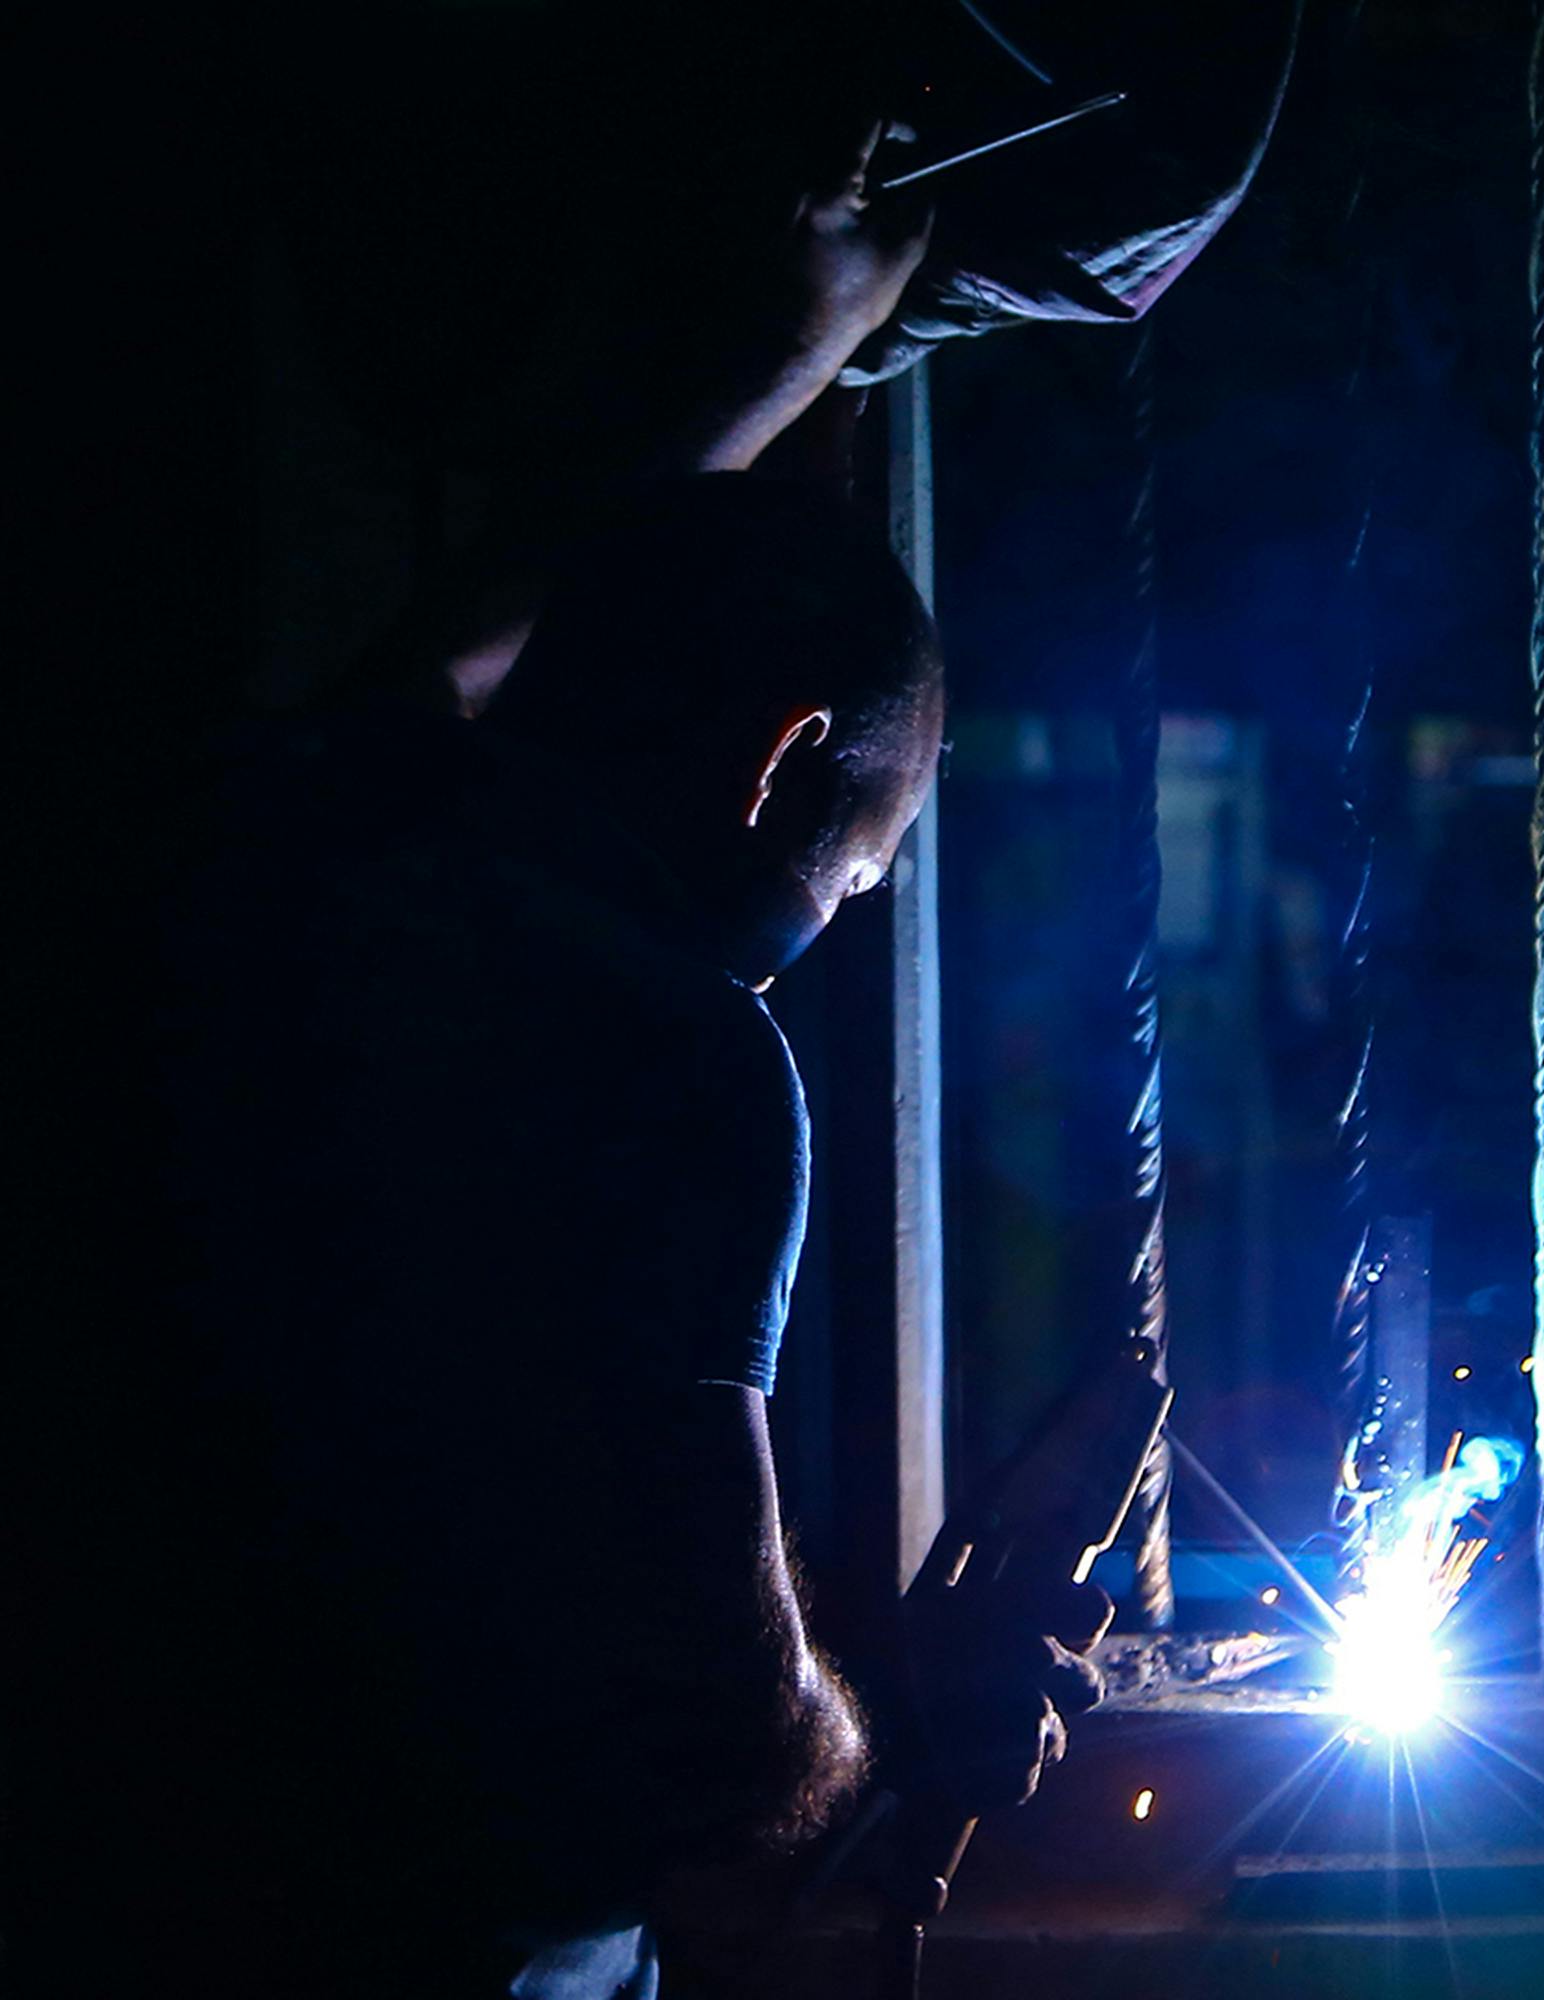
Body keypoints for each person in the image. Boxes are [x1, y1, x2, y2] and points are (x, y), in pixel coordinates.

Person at [4, 476, 1109, 2000]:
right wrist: (905, 1712)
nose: (837, 919)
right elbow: (727, 1744)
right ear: (784, 761)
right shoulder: (675, 1044)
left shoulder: (260, 848)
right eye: (859, 872)